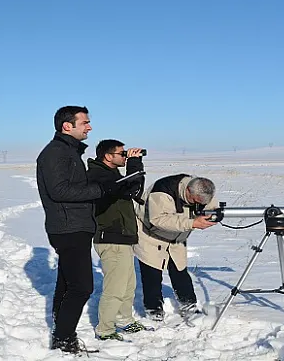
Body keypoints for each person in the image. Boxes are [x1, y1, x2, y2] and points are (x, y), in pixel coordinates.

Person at [36, 106, 129, 354]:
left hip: (74, 225)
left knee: (67, 282)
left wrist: (105, 184)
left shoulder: (68, 151)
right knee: (82, 287)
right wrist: (101, 190)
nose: (89, 127)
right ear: (68, 126)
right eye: (85, 122)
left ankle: (61, 331)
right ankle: (64, 339)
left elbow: (72, 186)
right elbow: (60, 191)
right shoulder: (56, 153)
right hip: (69, 228)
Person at [132, 174, 219, 321]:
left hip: (176, 237)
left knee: (179, 270)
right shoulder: (162, 191)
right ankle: (153, 309)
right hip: (150, 235)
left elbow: (212, 206)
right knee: (152, 274)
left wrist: (214, 215)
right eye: (195, 202)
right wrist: (192, 223)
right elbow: (158, 219)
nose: (197, 205)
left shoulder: (202, 190)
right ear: (188, 192)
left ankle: (189, 304)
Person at [86, 140, 148, 341]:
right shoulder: (98, 176)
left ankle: (124, 320)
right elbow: (129, 189)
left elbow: (134, 189)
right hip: (110, 237)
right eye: (122, 154)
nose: (125, 156)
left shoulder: (112, 175)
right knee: (115, 287)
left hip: (122, 237)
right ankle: (104, 329)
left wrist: (134, 166)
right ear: (107, 156)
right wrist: (134, 164)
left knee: (128, 285)